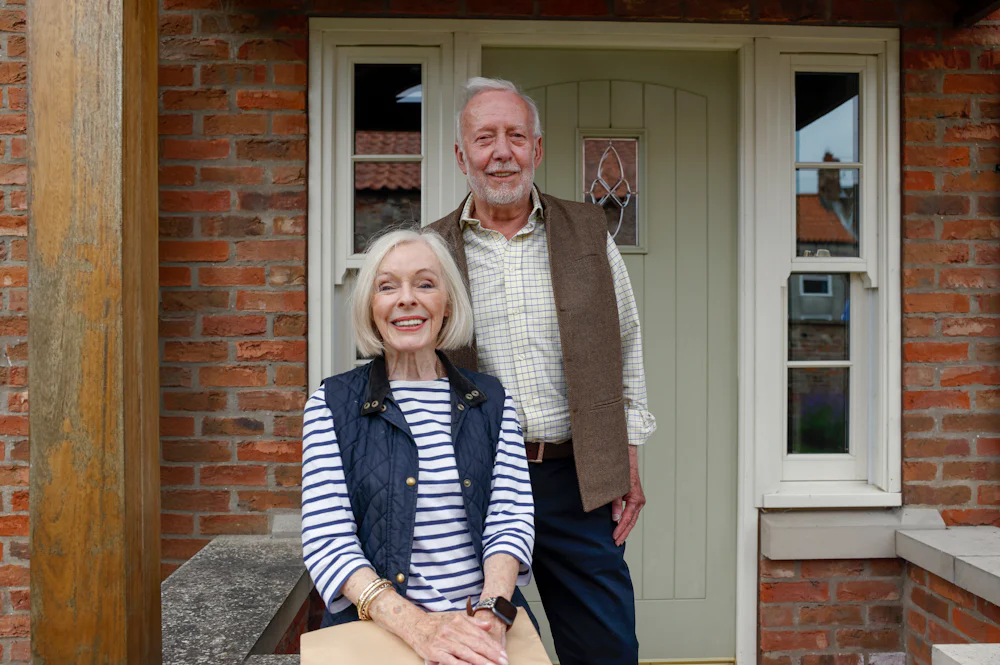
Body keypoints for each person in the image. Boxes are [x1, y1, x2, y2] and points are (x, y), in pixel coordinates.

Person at [428, 77, 657, 665]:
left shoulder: (587, 230)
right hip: (470, 483)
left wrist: (628, 454)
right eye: (484, 138)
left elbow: (625, 344)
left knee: (606, 647)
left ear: (538, 149)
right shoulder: (431, 249)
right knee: (481, 650)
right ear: (462, 156)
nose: (501, 152)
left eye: (515, 136)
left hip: (576, 477)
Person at [301, 228, 536, 665]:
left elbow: (510, 518)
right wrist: (420, 627)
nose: (406, 299)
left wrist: (490, 613)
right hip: (380, 631)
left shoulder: (492, 400)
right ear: (371, 308)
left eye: (425, 284)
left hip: (482, 626)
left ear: (447, 303)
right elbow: (327, 540)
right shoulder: (331, 404)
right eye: (387, 286)